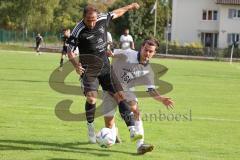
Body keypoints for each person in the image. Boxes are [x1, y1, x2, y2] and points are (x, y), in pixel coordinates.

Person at [67, 3, 142, 144]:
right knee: (91, 99)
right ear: (83, 17)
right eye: (89, 20)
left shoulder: (102, 18)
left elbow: (117, 12)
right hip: (89, 71)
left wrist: (130, 6)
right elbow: (70, 51)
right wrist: (76, 65)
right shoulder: (78, 29)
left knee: (120, 96)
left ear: (97, 17)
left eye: (94, 19)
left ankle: (132, 131)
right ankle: (90, 127)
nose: (92, 22)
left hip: (106, 68)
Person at [103, 38, 174, 154]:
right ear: (141, 48)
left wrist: (161, 99)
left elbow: (151, 90)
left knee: (136, 111)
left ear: (154, 53)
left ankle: (140, 145)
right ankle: (114, 131)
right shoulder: (128, 53)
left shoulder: (148, 71)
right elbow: (111, 52)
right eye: (146, 50)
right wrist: (110, 53)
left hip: (127, 90)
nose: (147, 53)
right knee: (109, 124)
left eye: (151, 51)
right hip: (110, 86)